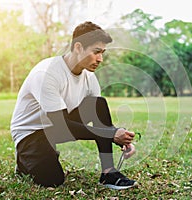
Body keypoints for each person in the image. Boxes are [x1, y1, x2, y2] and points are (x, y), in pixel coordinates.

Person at [10, 21, 137, 190]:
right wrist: (112, 134)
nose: (100, 59)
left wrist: (121, 140)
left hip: (56, 125)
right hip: (32, 133)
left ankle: (108, 173)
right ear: (78, 47)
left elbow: (101, 120)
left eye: (103, 53)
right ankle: (24, 162)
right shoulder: (47, 73)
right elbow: (62, 126)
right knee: (52, 179)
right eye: (96, 52)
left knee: (98, 104)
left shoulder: (89, 76)